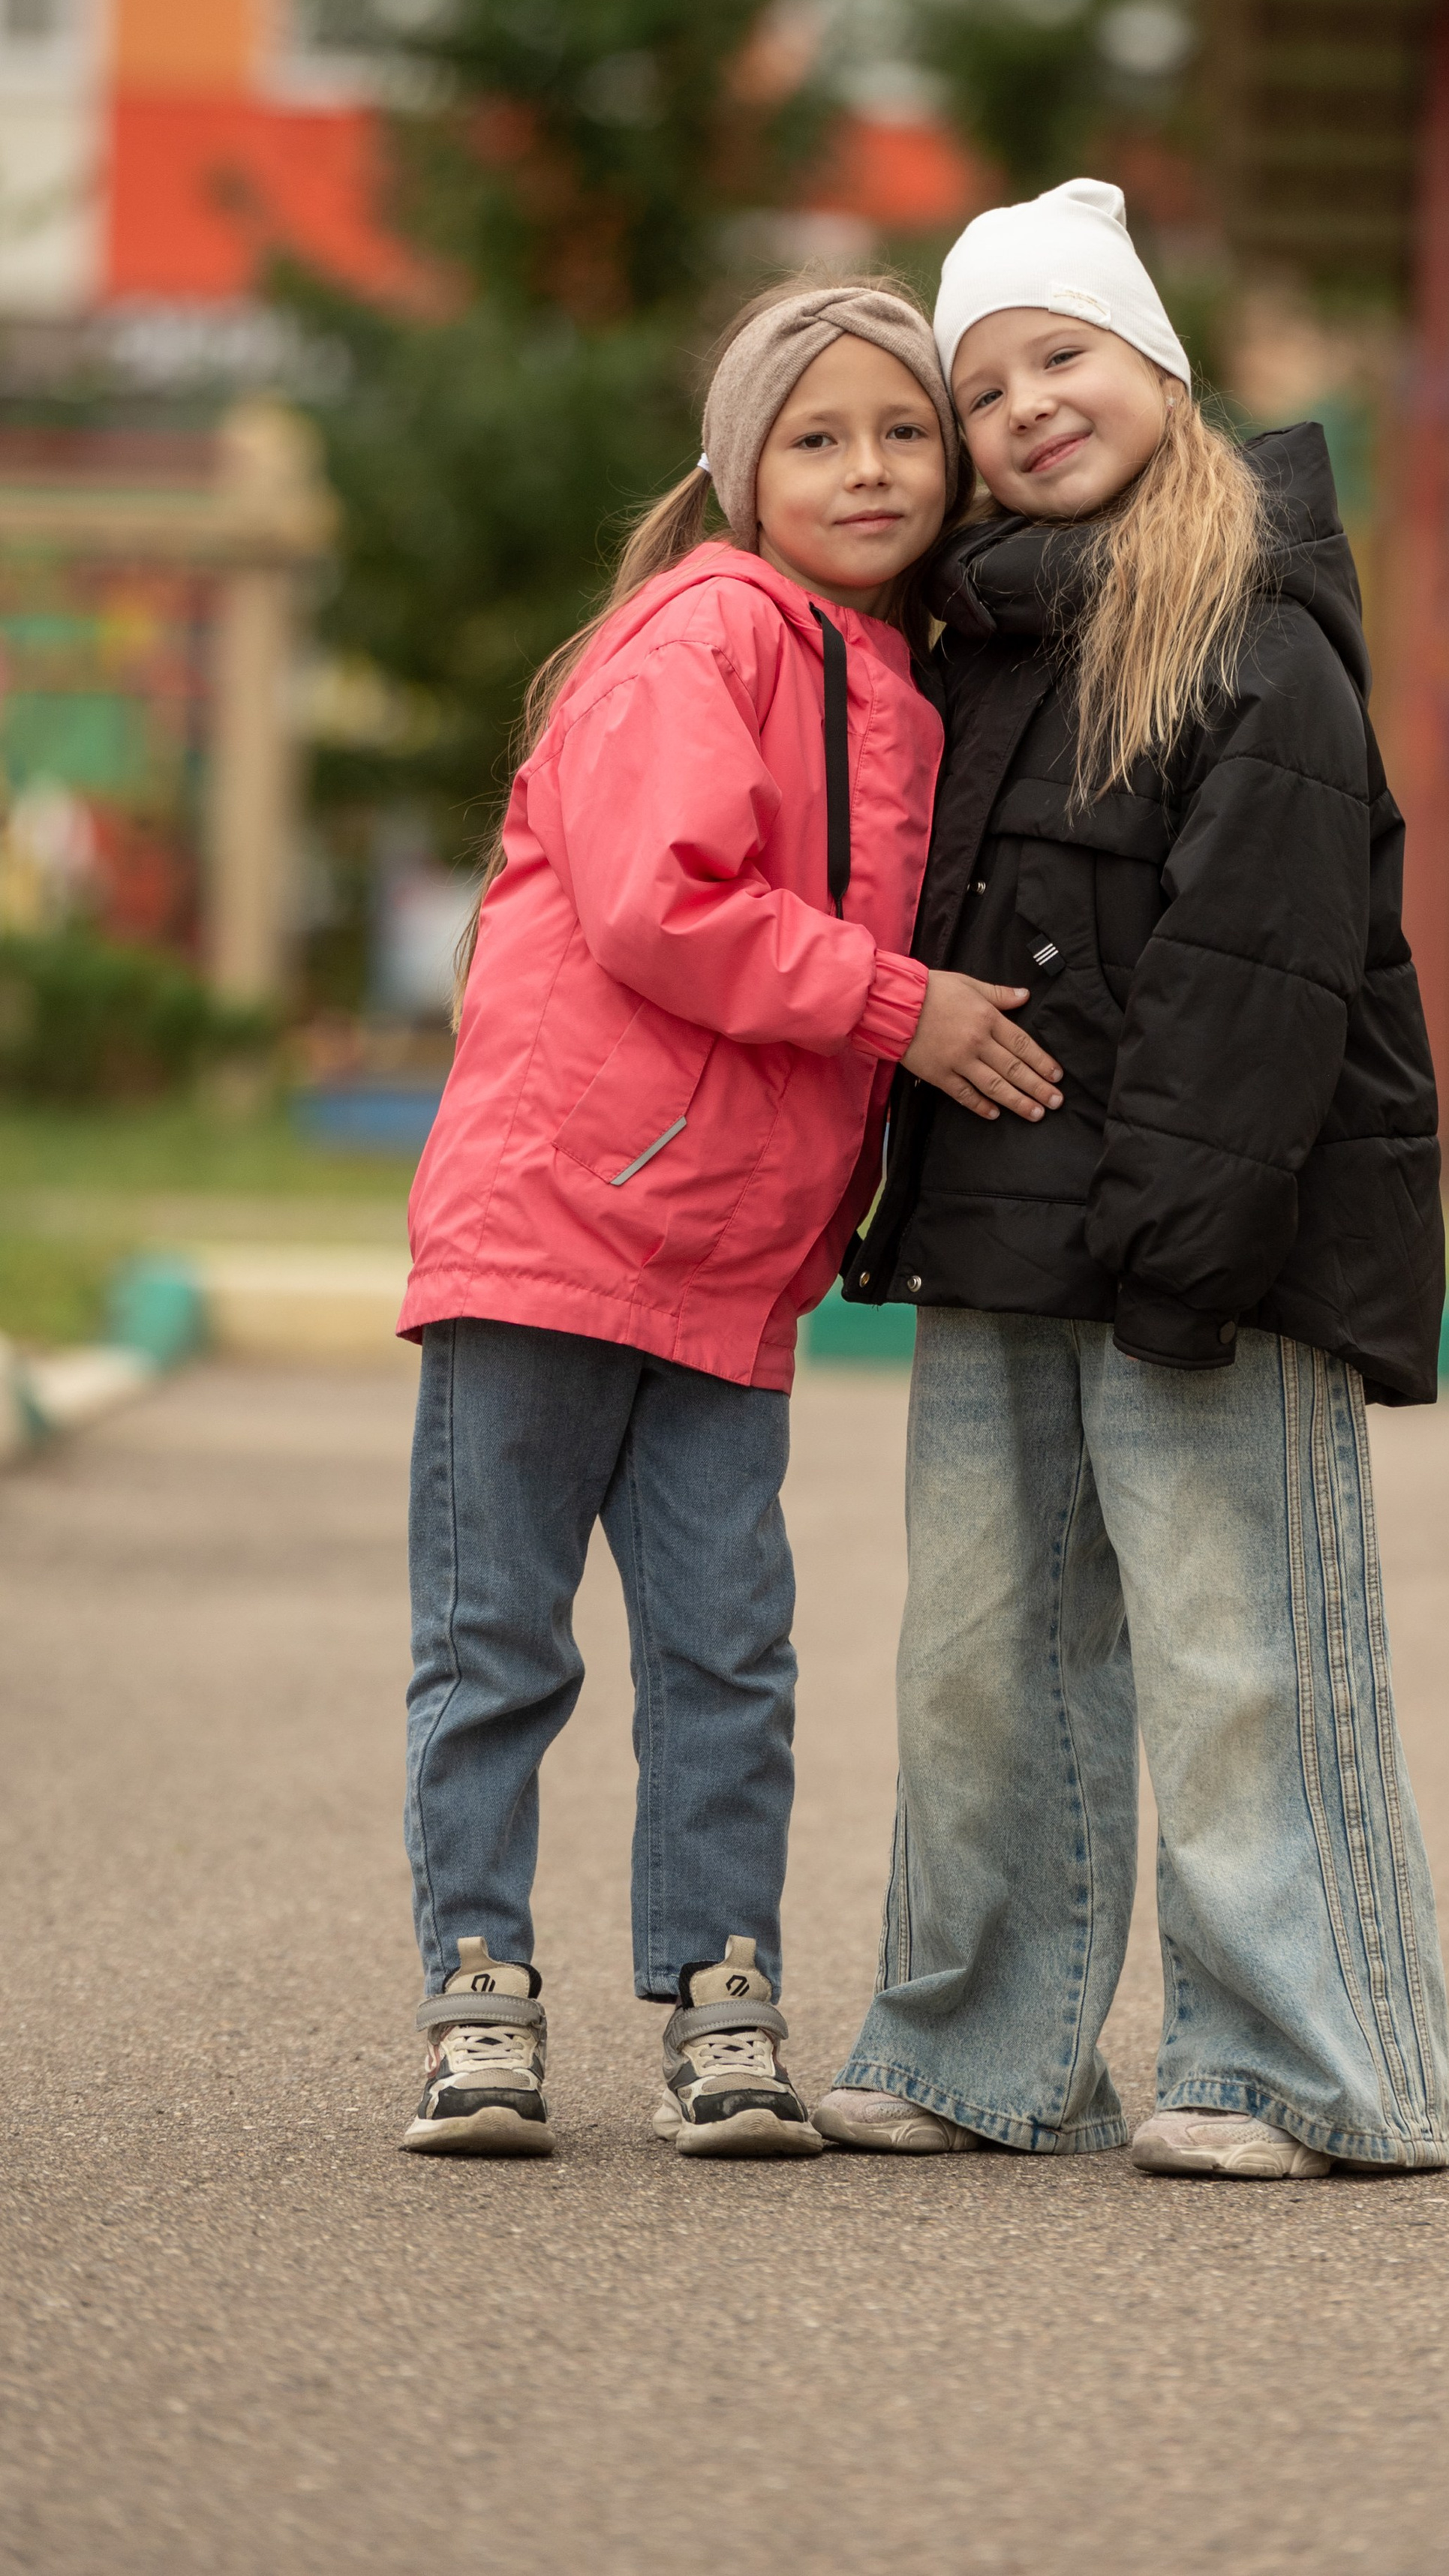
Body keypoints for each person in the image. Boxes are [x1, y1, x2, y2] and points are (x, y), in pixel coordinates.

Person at [816, 182, 1449, 2179]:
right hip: (1009, 1238)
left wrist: (1180, 1249)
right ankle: (980, 2047)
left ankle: (1295, 2067)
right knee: (977, 1665)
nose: (1023, 407)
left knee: (1231, 1660)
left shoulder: (1258, 642)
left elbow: (1260, 981)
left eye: (1063, 357)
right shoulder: (980, 646)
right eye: (984, 383)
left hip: (1211, 1252)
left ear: (1159, 369)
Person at [395, 280, 1064, 2162]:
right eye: (816, 434)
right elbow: (656, 904)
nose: (868, 466)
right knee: (497, 1633)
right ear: (737, 468)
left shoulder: (900, 676)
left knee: (726, 1649)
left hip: (727, 1262)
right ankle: (476, 1993)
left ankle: (719, 1993)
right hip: (556, 1218)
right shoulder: (706, 631)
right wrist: (898, 1006)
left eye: (901, 431)